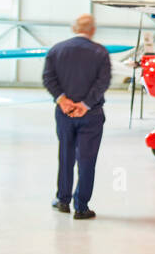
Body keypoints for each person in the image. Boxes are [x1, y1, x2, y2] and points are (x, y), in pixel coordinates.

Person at [43, 14, 112, 220]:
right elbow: (103, 82)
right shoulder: (100, 52)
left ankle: (62, 200)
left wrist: (62, 99)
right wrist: (85, 104)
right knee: (87, 159)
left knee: (66, 155)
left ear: (74, 28)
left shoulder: (56, 50)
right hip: (91, 114)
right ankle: (81, 207)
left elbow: (48, 77)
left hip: (64, 114)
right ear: (93, 30)